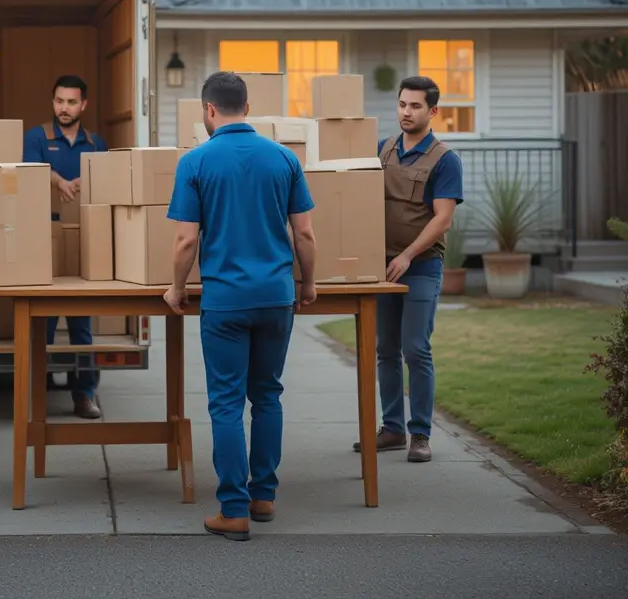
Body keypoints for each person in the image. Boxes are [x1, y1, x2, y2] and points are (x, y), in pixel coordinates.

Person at [164, 71, 317, 542]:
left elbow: (186, 240)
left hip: (226, 301)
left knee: (227, 402)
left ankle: (233, 510)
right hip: (276, 297)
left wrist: (176, 288)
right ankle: (263, 496)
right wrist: (308, 284)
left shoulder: (195, 162)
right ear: (247, 108)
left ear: (208, 111)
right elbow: (305, 233)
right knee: (267, 395)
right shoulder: (284, 158)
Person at [353, 75, 464, 464]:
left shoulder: (445, 160)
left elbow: (442, 219)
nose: (406, 112)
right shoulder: (382, 150)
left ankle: (420, 434)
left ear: (433, 111)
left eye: (415, 106)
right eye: (402, 104)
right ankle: (392, 429)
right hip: (381, 265)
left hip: (420, 266)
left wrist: (407, 256)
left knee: (415, 348)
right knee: (385, 349)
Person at [23, 74, 108, 419]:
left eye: (72, 102)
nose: (64, 108)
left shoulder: (95, 142)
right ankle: (37, 394)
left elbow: (108, 177)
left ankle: (84, 394)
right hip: (43, 236)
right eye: (59, 101)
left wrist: (88, 181)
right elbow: (30, 171)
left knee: (80, 324)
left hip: (82, 237)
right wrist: (57, 180)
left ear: (83, 105)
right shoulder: (37, 137)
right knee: (42, 323)